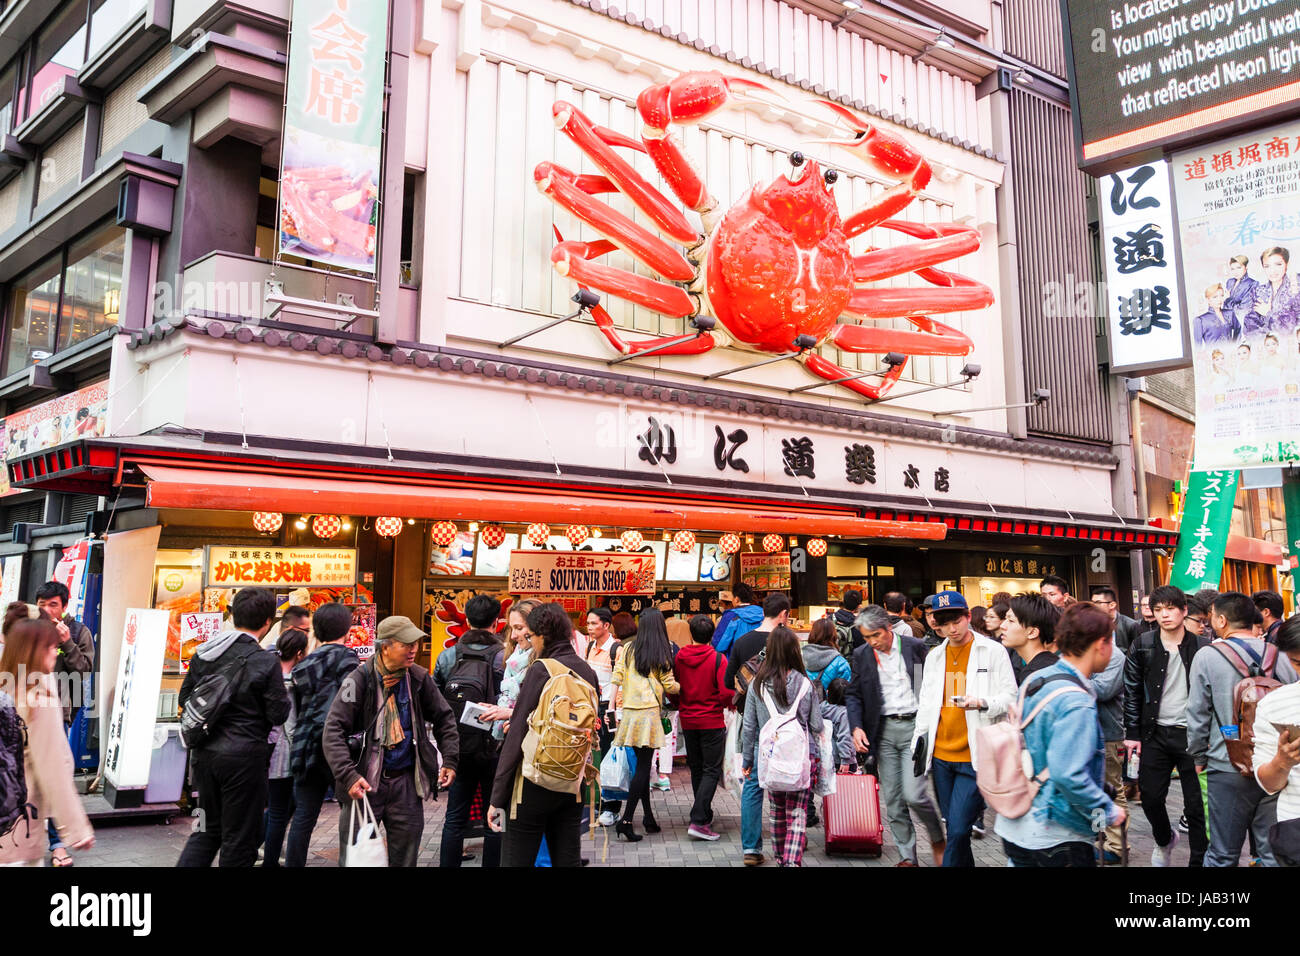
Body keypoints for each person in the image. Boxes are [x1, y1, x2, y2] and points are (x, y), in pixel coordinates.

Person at [994, 603, 1125, 866]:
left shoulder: (1036, 679)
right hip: (1056, 834)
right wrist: (1109, 810)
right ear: (1101, 644)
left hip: (1016, 823)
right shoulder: (1076, 700)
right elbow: (1069, 774)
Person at [323, 615, 459, 867]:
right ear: (384, 647)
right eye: (407, 644)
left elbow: (444, 718)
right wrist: (348, 775)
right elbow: (333, 731)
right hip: (364, 783)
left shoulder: (417, 678)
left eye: (415, 643)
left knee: (405, 858)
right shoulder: (359, 679)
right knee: (356, 858)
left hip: (405, 782)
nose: (414, 650)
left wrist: (449, 759)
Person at [178, 587, 291, 867]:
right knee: (239, 838)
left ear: (232, 614)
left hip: (204, 757)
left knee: (206, 830)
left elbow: (184, 698)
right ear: (268, 622)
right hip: (245, 760)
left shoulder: (204, 653)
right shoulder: (265, 660)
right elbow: (278, 713)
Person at [1187, 591, 1299, 866]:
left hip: (1227, 762)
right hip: (1276, 762)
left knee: (1223, 852)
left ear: (1222, 620)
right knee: (1271, 850)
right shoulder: (1281, 653)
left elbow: (1198, 712)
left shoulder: (1207, 656)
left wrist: (1198, 756)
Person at [488, 603, 599, 867]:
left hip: (533, 784)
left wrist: (497, 799)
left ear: (542, 635)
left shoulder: (541, 668)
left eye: (530, 634)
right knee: (567, 859)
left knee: (517, 858)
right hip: (572, 782)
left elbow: (516, 735)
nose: (527, 640)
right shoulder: (587, 672)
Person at [911, 590, 1016, 866]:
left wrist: (982, 703)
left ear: (968, 616)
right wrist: (918, 747)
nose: (951, 629)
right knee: (956, 832)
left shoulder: (993, 651)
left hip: (976, 756)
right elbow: (925, 704)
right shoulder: (934, 655)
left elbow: (1011, 698)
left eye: (956, 620)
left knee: (958, 830)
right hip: (941, 757)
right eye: (943, 623)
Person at [846, 603, 945, 867]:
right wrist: (856, 727)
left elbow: (930, 686)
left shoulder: (914, 647)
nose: (872, 642)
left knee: (915, 795)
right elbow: (853, 694)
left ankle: (937, 837)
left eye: (875, 635)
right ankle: (907, 856)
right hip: (884, 732)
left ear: (888, 628)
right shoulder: (863, 654)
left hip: (915, 728)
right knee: (893, 798)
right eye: (867, 637)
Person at [1122, 585, 1211, 867]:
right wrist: (1133, 734)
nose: (1164, 615)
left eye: (1171, 608)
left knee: (1196, 806)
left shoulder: (1202, 647)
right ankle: (1164, 840)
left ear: (1184, 611)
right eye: (1158, 609)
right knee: (1149, 798)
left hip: (1193, 736)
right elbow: (1132, 690)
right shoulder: (1143, 644)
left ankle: (1198, 860)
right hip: (1155, 733)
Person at [0, 605, 95, 867]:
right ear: (36, 650)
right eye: (52, 647)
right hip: (18, 827)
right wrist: (77, 828)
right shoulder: (38, 697)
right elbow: (53, 767)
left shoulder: (5, 685)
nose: (56, 652)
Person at [283, 602, 358, 867]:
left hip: (306, 745)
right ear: (347, 629)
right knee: (351, 811)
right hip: (337, 746)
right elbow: (352, 705)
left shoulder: (305, 662)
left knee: (304, 816)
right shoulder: (348, 659)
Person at [741, 625, 823, 867]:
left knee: (776, 810)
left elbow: (749, 727)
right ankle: (791, 862)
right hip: (801, 756)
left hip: (769, 757)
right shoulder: (806, 684)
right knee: (797, 813)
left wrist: (747, 760)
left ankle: (779, 857)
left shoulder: (757, 684)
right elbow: (817, 724)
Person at [435, 594, 506, 868]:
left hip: (459, 746)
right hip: (495, 746)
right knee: (495, 813)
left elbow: (437, 701)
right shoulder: (505, 656)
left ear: (466, 618)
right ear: (496, 621)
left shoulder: (449, 655)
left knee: (455, 816)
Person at [723, 591, 791, 865]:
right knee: (783, 782)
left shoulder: (742, 641)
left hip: (750, 721)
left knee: (752, 782)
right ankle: (787, 841)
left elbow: (730, 682)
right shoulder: (788, 642)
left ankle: (751, 848)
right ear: (784, 614)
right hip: (784, 724)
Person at [32, 581, 95, 866]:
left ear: (64, 606)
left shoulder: (79, 631)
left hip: (58, 714)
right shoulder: (29, 627)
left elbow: (84, 670)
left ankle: (58, 844)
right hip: (24, 711)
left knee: (57, 776)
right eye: (42, 604)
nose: (46, 610)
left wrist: (66, 641)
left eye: (52, 604)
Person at [610, 608, 679, 841]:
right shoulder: (662, 650)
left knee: (642, 766)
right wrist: (681, 687)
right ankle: (626, 821)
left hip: (630, 713)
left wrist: (611, 706)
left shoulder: (628, 648)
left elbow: (617, 676)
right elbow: (670, 686)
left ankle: (648, 819)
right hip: (648, 715)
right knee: (643, 768)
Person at [673, 613, 732, 841]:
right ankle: (699, 819)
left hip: (689, 720)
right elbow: (726, 692)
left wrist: (681, 704)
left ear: (691, 633)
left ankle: (703, 815)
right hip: (711, 721)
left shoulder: (680, 658)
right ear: (712, 634)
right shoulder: (718, 659)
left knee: (697, 769)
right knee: (711, 770)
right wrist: (726, 704)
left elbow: (673, 687)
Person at [1253, 617, 1300, 866]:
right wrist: (1282, 761)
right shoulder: (1274, 705)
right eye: (1298, 662)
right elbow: (1268, 783)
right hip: (1295, 824)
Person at [262, 628, 306, 867]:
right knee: (279, 812)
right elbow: (290, 727)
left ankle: (252, 850)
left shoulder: (267, 672)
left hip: (265, 750)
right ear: (299, 653)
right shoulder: (289, 683)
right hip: (282, 755)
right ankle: (270, 861)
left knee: (279, 809)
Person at [1090, 602, 1128, 865]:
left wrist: (1077, 674)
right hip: (1091, 732)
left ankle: (1117, 845)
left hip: (1109, 731)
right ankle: (1099, 838)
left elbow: (1102, 691)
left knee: (1112, 787)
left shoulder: (1115, 656)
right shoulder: (1085, 652)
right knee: (1094, 786)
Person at [581, 606, 622, 826]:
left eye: (594, 623)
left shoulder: (616, 650)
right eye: (588, 623)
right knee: (593, 756)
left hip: (608, 710)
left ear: (606, 625)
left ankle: (611, 808)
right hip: (592, 707)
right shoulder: (589, 647)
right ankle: (597, 804)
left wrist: (614, 712)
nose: (589, 627)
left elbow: (621, 684)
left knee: (609, 757)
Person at [1000, 593, 1059, 686]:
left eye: (1011, 621)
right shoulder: (1054, 664)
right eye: (1005, 619)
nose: (1002, 626)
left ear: (1032, 632)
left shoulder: (1035, 675)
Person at [1252, 246, 1299, 335]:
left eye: (1278, 264)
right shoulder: (1258, 291)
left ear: (1287, 264)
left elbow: (1291, 328)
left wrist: (1268, 313)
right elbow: (1250, 325)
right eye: (1267, 266)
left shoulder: (1295, 289)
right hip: (1263, 344)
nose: (1272, 270)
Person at [801, 617, 851, 695]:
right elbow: (845, 694)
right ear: (833, 635)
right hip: (830, 706)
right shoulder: (840, 663)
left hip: (805, 705)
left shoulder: (800, 659)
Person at [712, 582, 762, 657]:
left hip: (737, 664)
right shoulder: (763, 613)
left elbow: (718, 645)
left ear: (736, 599)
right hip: (760, 663)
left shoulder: (730, 616)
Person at [1090, 586, 1140, 653]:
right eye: (1092, 603)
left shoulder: (1130, 625)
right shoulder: (1091, 625)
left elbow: (1137, 653)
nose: (1093, 606)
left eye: (1098, 603)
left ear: (1112, 605)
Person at [1224, 254, 1259, 328]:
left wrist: (1228, 300)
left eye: (1239, 268)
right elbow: (1224, 308)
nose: (1235, 272)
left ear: (1246, 267)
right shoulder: (1230, 282)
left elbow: (1243, 310)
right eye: (1232, 269)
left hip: (1244, 324)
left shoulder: (1252, 284)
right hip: (1227, 322)